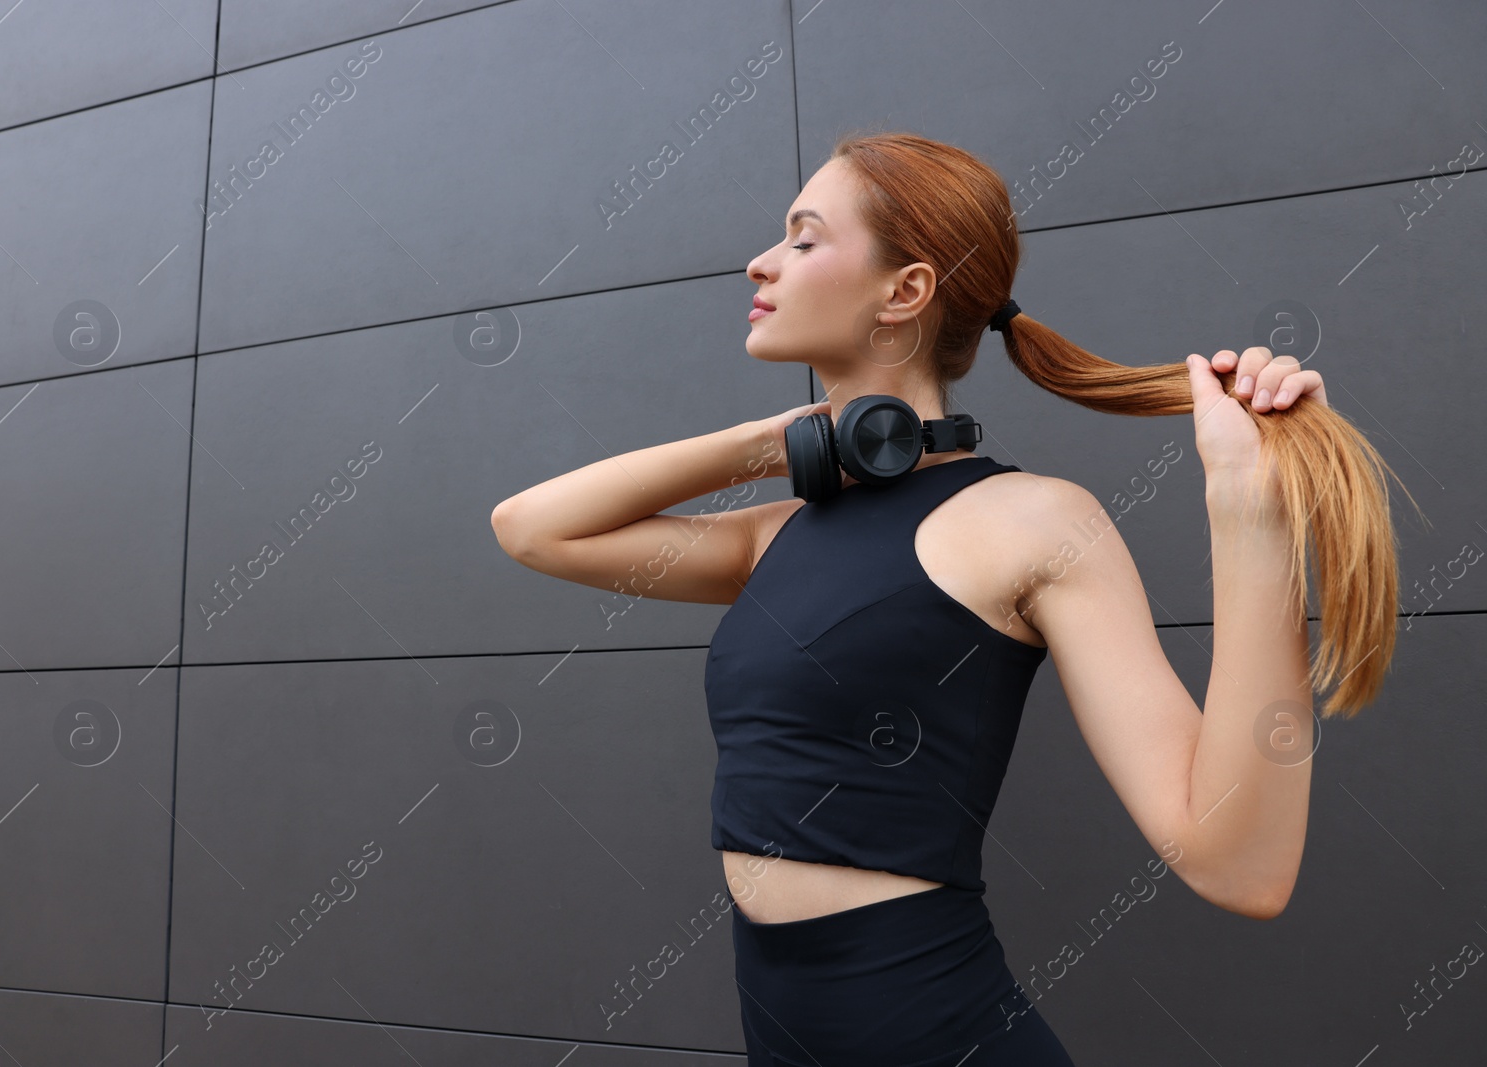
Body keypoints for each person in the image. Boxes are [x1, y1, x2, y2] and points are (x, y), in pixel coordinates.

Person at [491, 132, 1405, 1065]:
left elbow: (1239, 864)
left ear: (906, 291)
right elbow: (532, 527)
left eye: (805, 239)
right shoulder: (772, 535)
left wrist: (1248, 512)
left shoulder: (1036, 522)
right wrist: (784, 440)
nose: (761, 262)